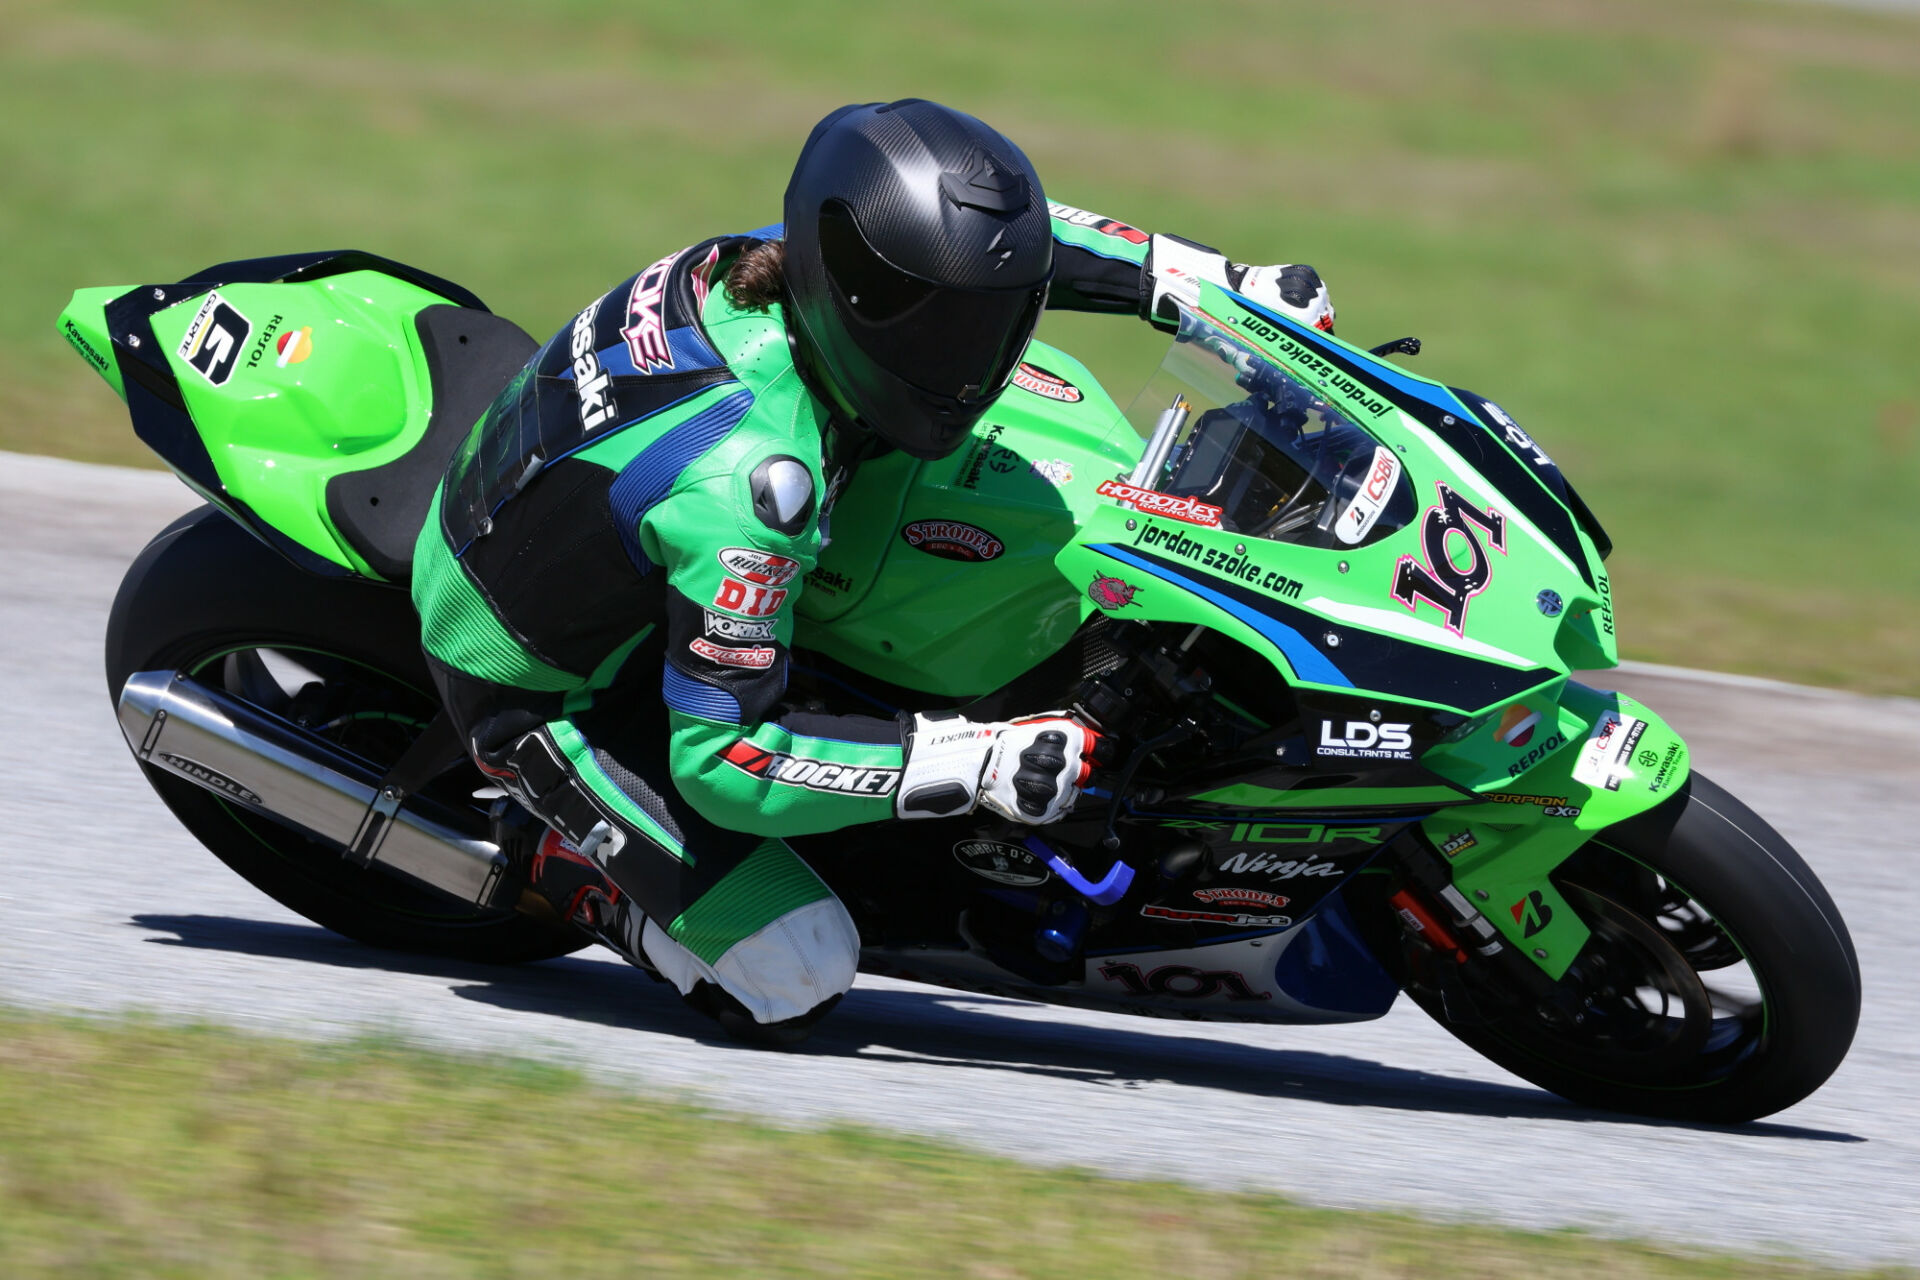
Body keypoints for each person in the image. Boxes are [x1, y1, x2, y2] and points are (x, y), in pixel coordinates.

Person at [409, 98, 1336, 1043]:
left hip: (589, 515)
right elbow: (728, 761)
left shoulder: (809, 257)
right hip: (539, 679)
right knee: (797, 966)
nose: (974, 362)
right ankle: (559, 861)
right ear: (856, 293)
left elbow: (1017, 247)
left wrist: (1211, 282)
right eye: (942, 334)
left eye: (987, 325)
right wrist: (970, 762)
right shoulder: (752, 492)